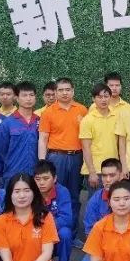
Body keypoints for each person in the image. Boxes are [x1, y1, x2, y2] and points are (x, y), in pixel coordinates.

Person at [78, 157, 130, 261]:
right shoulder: (94, 200)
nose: (108, 180)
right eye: (104, 176)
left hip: (129, 245)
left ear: (121, 175)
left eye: (112, 175)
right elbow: (89, 232)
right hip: (103, 247)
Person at [37, 77, 88, 236]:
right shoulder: (48, 112)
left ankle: (72, 233)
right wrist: (42, 163)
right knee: (53, 193)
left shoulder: (82, 110)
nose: (64, 93)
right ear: (56, 92)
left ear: (73, 91)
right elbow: (43, 139)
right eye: (61, 90)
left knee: (74, 195)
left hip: (77, 157)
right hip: (56, 157)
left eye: (67, 90)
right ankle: (51, 232)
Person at [32, 160, 74, 261]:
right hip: (34, 234)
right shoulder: (30, 192)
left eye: (46, 178)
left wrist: (44, 227)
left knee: (65, 233)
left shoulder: (63, 192)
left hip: (52, 234)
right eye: (38, 179)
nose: (41, 183)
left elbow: (67, 219)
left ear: (55, 178)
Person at [80, 83, 120, 192]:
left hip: (113, 168)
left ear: (110, 98)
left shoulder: (117, 117)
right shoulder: (87, 120)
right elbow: (86, 148)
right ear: (93, 99)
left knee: (113, 199)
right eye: (99, 97)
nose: (103, 100)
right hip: (96, 170)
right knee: (96, 200)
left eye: (106, 96)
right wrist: (92, 172)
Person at [0, 81, 39, 181]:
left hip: (36, 174)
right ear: (17, 98)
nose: (28, 98)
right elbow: (2, 150)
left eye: (31, 95)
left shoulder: (40, 121)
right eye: (24, 95)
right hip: (13, 173)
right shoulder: (8, 123)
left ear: (35, 97)